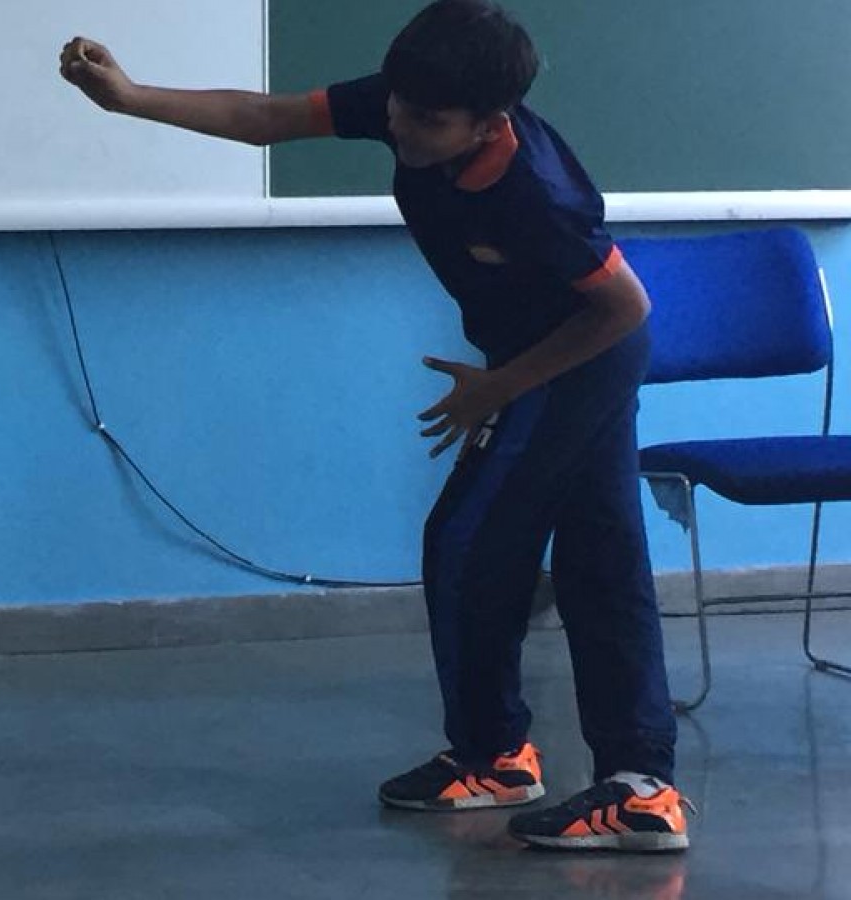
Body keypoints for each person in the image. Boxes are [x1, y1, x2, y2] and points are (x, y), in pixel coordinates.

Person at [60, 0, 689, 852]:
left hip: (573, 360)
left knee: (469, 543)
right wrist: (130, 97)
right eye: (398, 106)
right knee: (595, 549)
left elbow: (624, 308)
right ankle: (624, 784)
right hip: (539, 360)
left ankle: (510, 758)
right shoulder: (409, 98)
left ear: (488, 124)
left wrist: (497, 388)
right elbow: (264, 117)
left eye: (428, 122)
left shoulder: (534, 193)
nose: (401, 127)